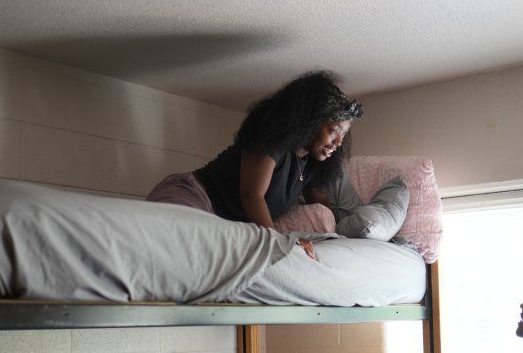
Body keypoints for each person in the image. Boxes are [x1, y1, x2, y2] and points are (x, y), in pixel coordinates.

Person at [146, 70, 363, 258]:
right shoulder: (270, 138)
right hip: (193, 195)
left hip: (224, 224)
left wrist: (342, 236)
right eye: (334, 131)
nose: (338, 142)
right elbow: (252, 195)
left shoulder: (311, 165)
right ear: (310, 121)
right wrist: (281, 243)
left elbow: (322, 209)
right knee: (172, 239)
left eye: (344, 134)